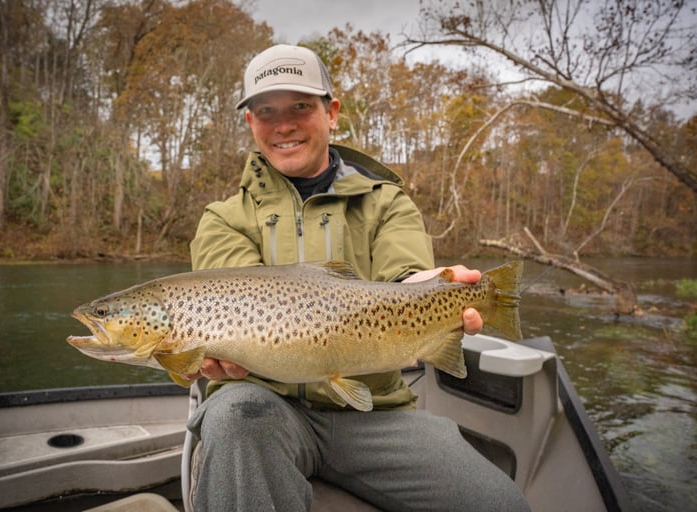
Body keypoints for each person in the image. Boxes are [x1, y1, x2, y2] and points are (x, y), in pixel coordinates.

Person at [183, 44, 530, 511]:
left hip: (377, 412)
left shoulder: (387, 203)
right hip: (262, 407)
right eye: (266, 111)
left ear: (332, 113)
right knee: (233, 415)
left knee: (500, 504)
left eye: (300, 107)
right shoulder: (223, 219)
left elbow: (406, 277)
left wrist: (430, 287)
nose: (283, 125)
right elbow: (233, 310)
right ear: (250, 122)